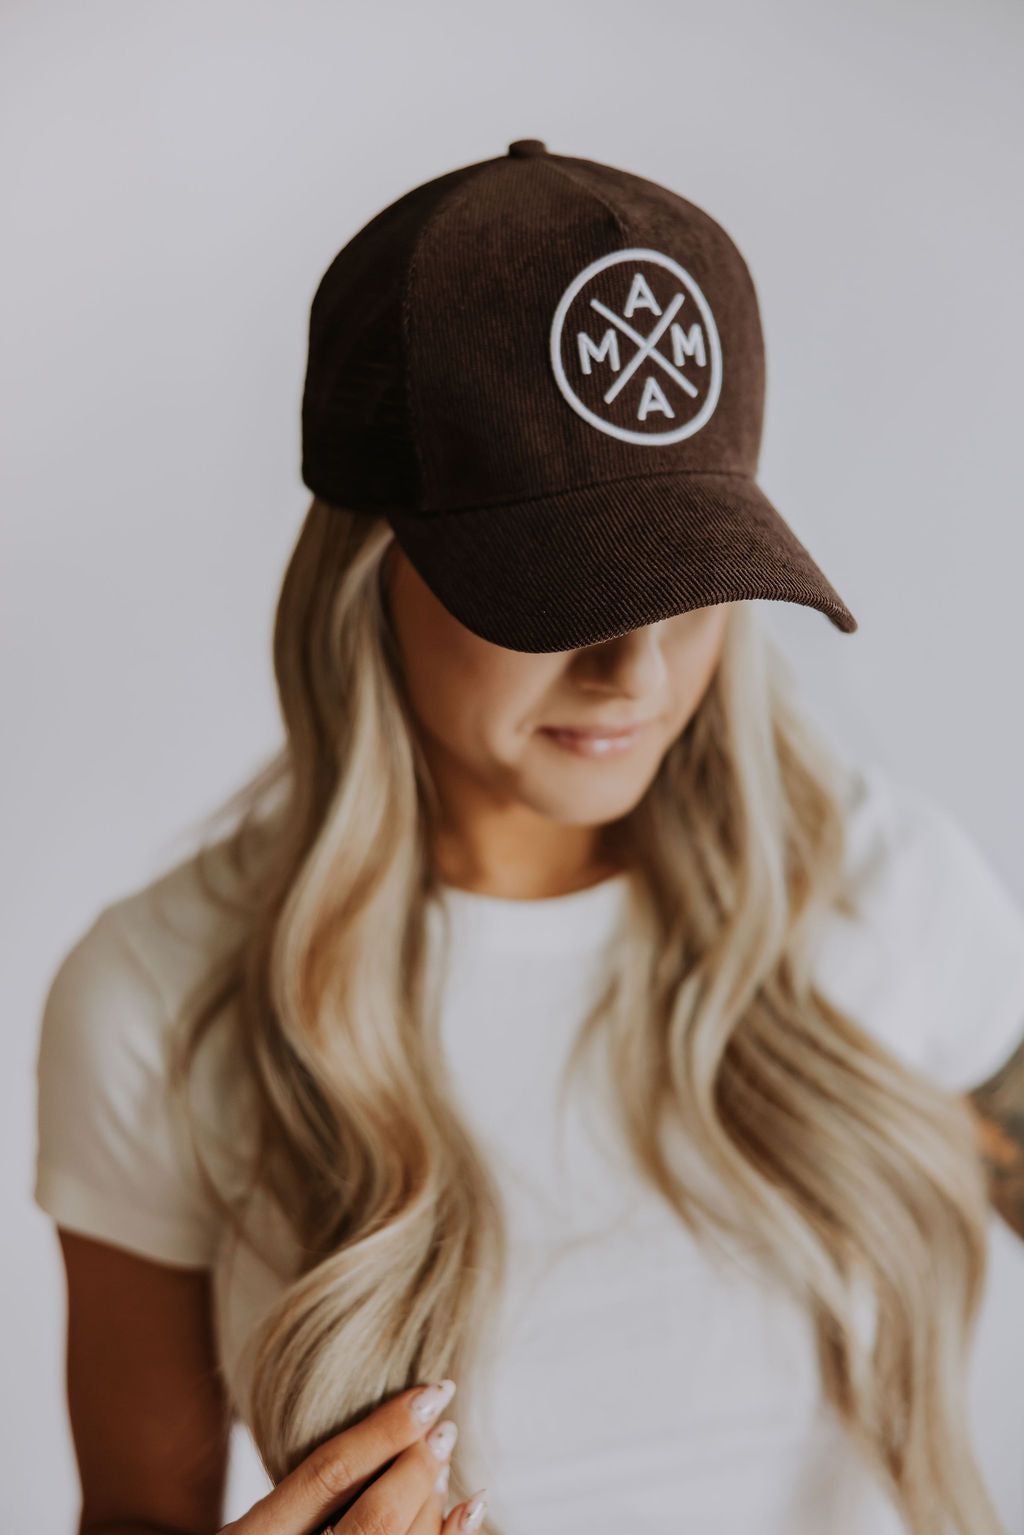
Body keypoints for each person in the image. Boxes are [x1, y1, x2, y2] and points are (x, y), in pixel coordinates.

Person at [31, 139, 1024, 1535]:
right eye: (558, 593)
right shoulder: (155, 1003)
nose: (636, 674)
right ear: (368, 576)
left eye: (688, 581)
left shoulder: (882, 888)